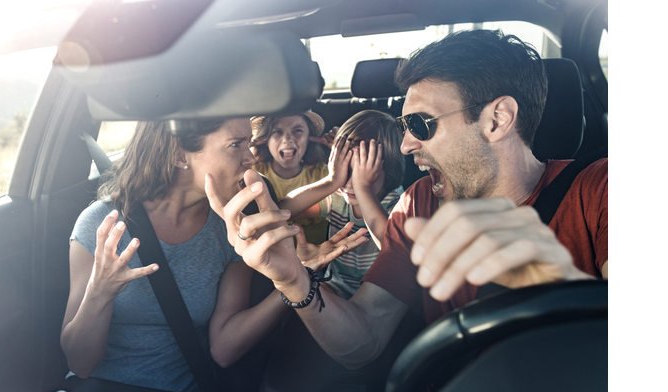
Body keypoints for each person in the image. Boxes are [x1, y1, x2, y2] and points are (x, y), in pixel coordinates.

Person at [205, 29, 608, 370]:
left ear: (497, 119)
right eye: (403, 125)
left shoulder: (600, 192)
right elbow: (364, 338)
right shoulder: (420, 204)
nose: (406, 144)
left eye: (420, 124)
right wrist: (293, 279)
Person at [18, 118, 348, 392]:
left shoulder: (229, 233)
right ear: (179, 154)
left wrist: (292, 281)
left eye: (249, 143)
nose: (250, 158)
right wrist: (99, 293)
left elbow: (223, 348)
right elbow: (81, 364)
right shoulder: (100, 224)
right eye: (235, 144)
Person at [279, 110, 406, 299]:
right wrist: (331, 181)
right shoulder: (337, 197)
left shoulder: (395, 203)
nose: (348, 183)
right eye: (343, 170)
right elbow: (283, 210)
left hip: (380, 291)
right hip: (336, 286)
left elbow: (392, 248)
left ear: (389, 168)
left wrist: (363, 189)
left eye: (360, 173)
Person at [250, 111, 337, 245]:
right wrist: (245, 145)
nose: (288, 139)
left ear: (309, 137)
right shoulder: (253, 174)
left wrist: (340, 148)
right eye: (277, 132)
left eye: (297, 130)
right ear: (265, 140)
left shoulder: (327, 174)